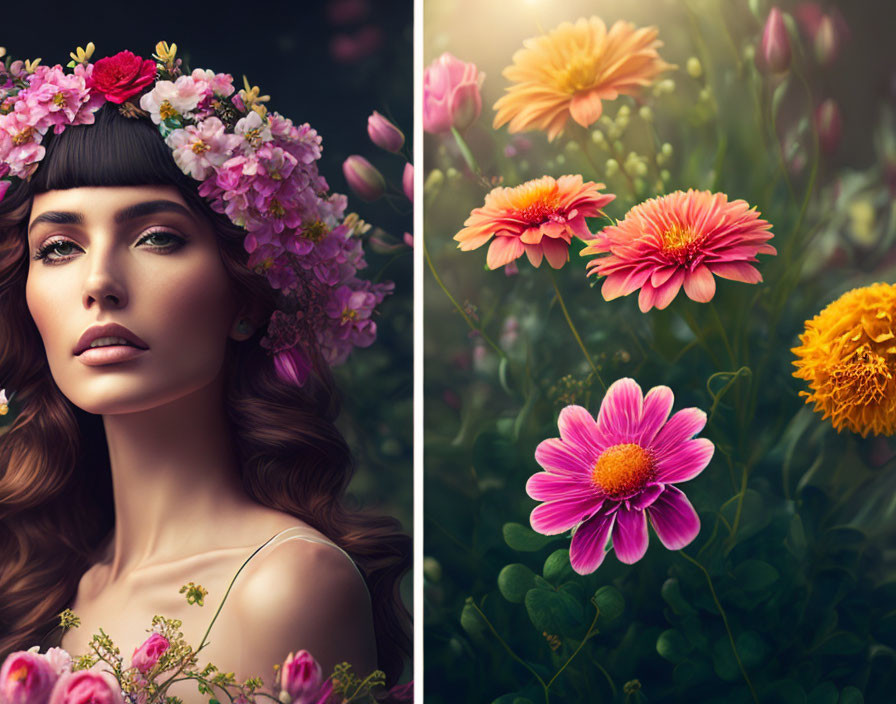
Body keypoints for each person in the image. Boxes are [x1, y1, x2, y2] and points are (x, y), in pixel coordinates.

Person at [0, 43, 410, 701]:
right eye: (60, 247)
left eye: (157, 237)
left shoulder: (287, 585)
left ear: (244, 299)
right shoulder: (51, 584)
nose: (100, 282)